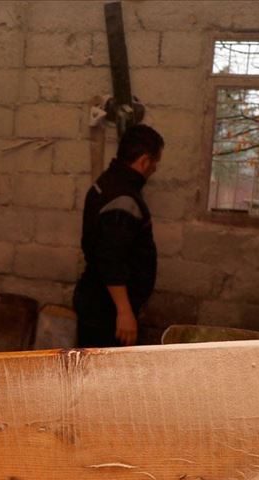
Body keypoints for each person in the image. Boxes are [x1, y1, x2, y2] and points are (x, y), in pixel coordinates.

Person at [72, 124, 163, 347]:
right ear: (144, 160)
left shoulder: (106, 182)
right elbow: (111, 258)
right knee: (104, 374)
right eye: (155, 162)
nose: (155, 169)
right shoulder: (123, 198)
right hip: (107, 310)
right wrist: (124, 312)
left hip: (95, 299)